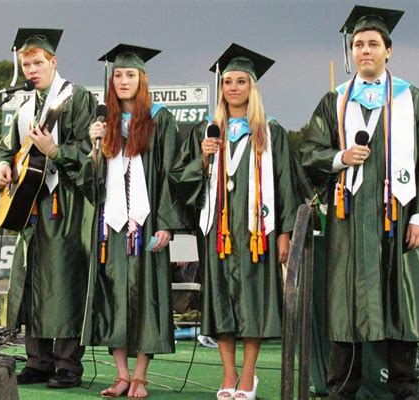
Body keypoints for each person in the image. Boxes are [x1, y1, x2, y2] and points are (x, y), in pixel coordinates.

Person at [300, 6, 419, 400]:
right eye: (358, 44)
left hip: (398, 217)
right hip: (350, 218)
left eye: (372, 44)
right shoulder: (335, 100)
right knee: (347, 302)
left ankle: (405, 388)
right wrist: (339, 157)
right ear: (352, 53)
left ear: (388, 50)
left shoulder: (411, 98)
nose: (364, 50)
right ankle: (342, 388)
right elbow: (309, 152)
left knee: (403, 301)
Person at [170, 43, 303, 400]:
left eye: (240, 81)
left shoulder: (270, 132)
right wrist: (202, 158)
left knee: (252, 303)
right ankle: (227, 376)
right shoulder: (207, 131)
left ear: (252, 87)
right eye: (227, 81)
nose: (232, 88)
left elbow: (286, 185)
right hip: (218, 231)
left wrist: (285, 234)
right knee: (221, 301)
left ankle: (248, 377)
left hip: (258, 231)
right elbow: (181, 180)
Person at [0, 28, 97, 388]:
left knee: (65, 282)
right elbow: (7, 149)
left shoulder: (75, 98)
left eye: (37, 63)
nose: (31, 70)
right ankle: (38, 361)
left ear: (54, 61)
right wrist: (2, 167)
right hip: (30, 207)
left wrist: (56, 152)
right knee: (31, 281)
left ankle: (68, 364)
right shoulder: (23, 107)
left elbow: (90, 152)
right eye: (26, 65)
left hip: (66, 204)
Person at [82, 43, 183, 398]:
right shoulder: (101, 124)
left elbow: (174, 171)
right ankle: (121, 375)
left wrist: (167, 223)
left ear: (142, 79)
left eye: (130, 74)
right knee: (113, 297)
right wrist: (92, 148)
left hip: (146, 225)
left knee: (147, 297)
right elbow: (89, 182)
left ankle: (141, 376)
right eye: (118, 75)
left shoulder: (160, 119)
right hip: (111, 228)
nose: (123, 80)